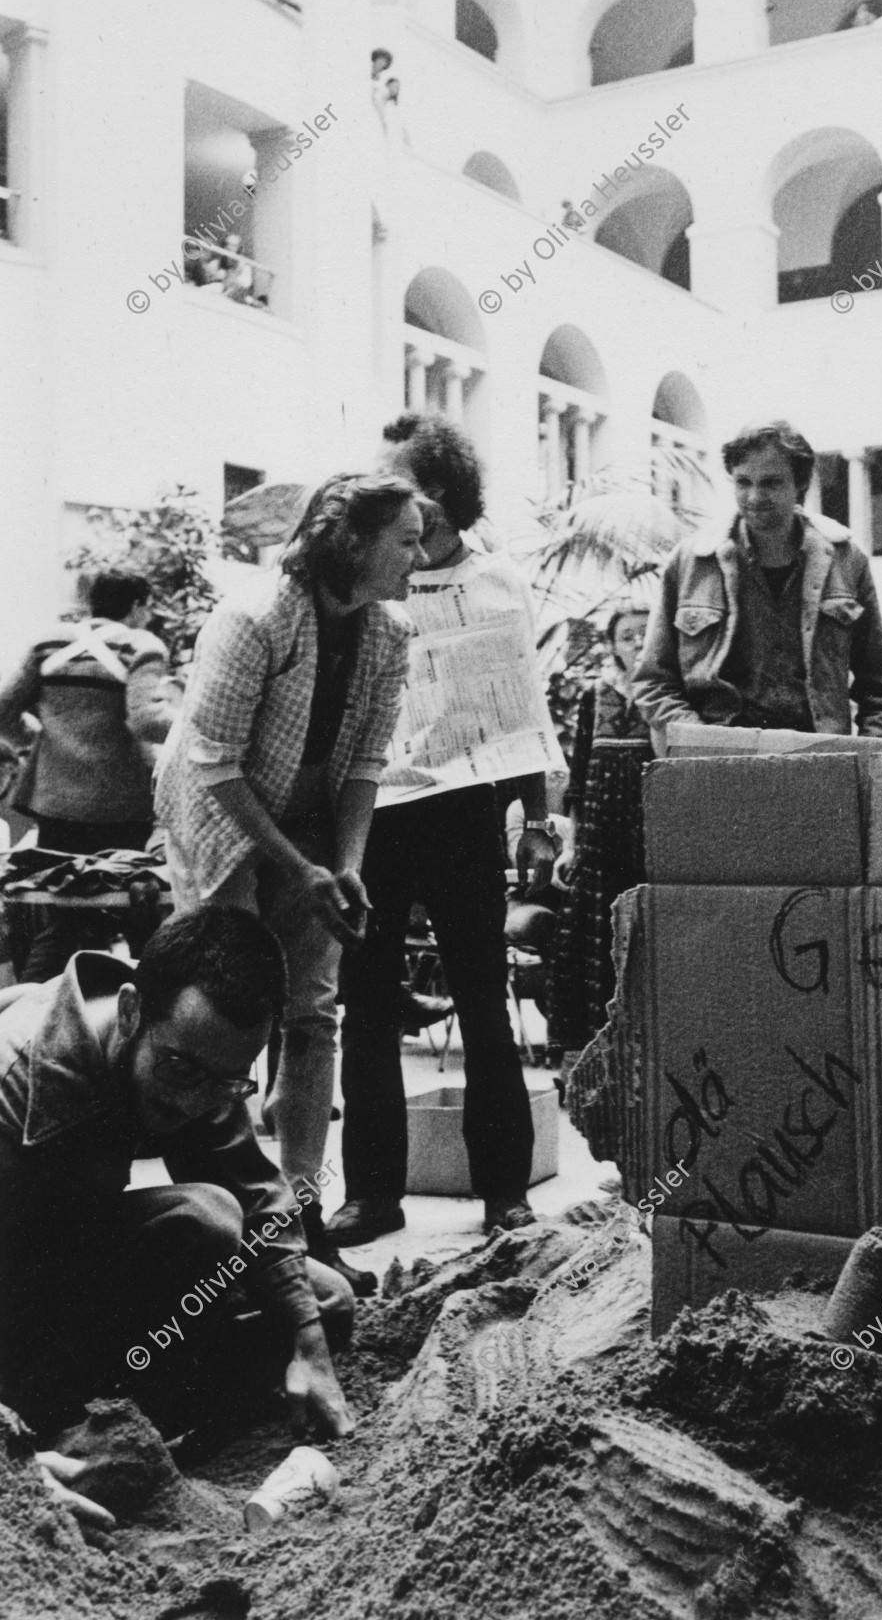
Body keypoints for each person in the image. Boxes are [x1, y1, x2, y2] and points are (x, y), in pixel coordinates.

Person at [155, 473, 425, 1294]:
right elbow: (214, 765)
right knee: (228, 1010)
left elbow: (366, 761)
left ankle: (300, 1211)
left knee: (313, 1014)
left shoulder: (387, 630)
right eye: (406, 541)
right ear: (352, 543)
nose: (418, 555)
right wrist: (294, 867)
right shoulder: (254, 616)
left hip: (307, 827)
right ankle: (232, 1209)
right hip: (220, 819)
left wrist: (343, 863)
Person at [0, 907, 354, 1463]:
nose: (195, 1103)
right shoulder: (13, 1085)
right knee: (205, 1221)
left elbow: (260, 1198)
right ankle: (71, 1427)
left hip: (70, 1269)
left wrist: (308, 1345)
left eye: (228, 1081)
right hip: (15, 1303)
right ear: (130, 1011)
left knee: (323, 1304)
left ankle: (141, 1400)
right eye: (181, 1073)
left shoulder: (196, 1048)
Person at [327, 415, 561, 1248]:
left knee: (482, 999)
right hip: (373, 814)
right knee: (366, 1004)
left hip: (463, 813)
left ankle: (504, 1192)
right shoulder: (366, 578)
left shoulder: (497, 583)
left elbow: (522, 709)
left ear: (444, 497)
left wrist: (536, 819)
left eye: (404, 484)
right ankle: (370, 1192)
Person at [633, 420, 882, 745]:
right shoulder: (691, 561)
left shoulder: (846, 560)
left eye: (771, 483)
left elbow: (881, 687)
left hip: (818, 765)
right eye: (743, 482)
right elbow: (653, 681)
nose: (754, 496)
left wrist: (864, 757)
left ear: (800, 484)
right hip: (715, 766)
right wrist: (698, 742)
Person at [0, 569, 173, 983]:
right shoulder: (141, 646)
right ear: (136, 606)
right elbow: (147, 721)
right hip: (124, 808)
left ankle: (22, 1017)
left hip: (55, 808)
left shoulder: (49, 644)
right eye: (147, 608)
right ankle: (146, 1007)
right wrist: (193, 727)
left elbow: (4, 708)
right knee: (139, 910)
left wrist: (37, 742)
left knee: (64, 919)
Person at [547, 606, 652, 1075]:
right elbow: (577, 776)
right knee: (593, 944)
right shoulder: (594, 695)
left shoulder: (668, 696)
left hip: (649, 834)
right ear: (613, 645)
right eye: (627, 636)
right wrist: (570, 846)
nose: (636, 643)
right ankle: (585, 1061)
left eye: (646, 635)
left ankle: (641, 1059)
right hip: (598, 836)